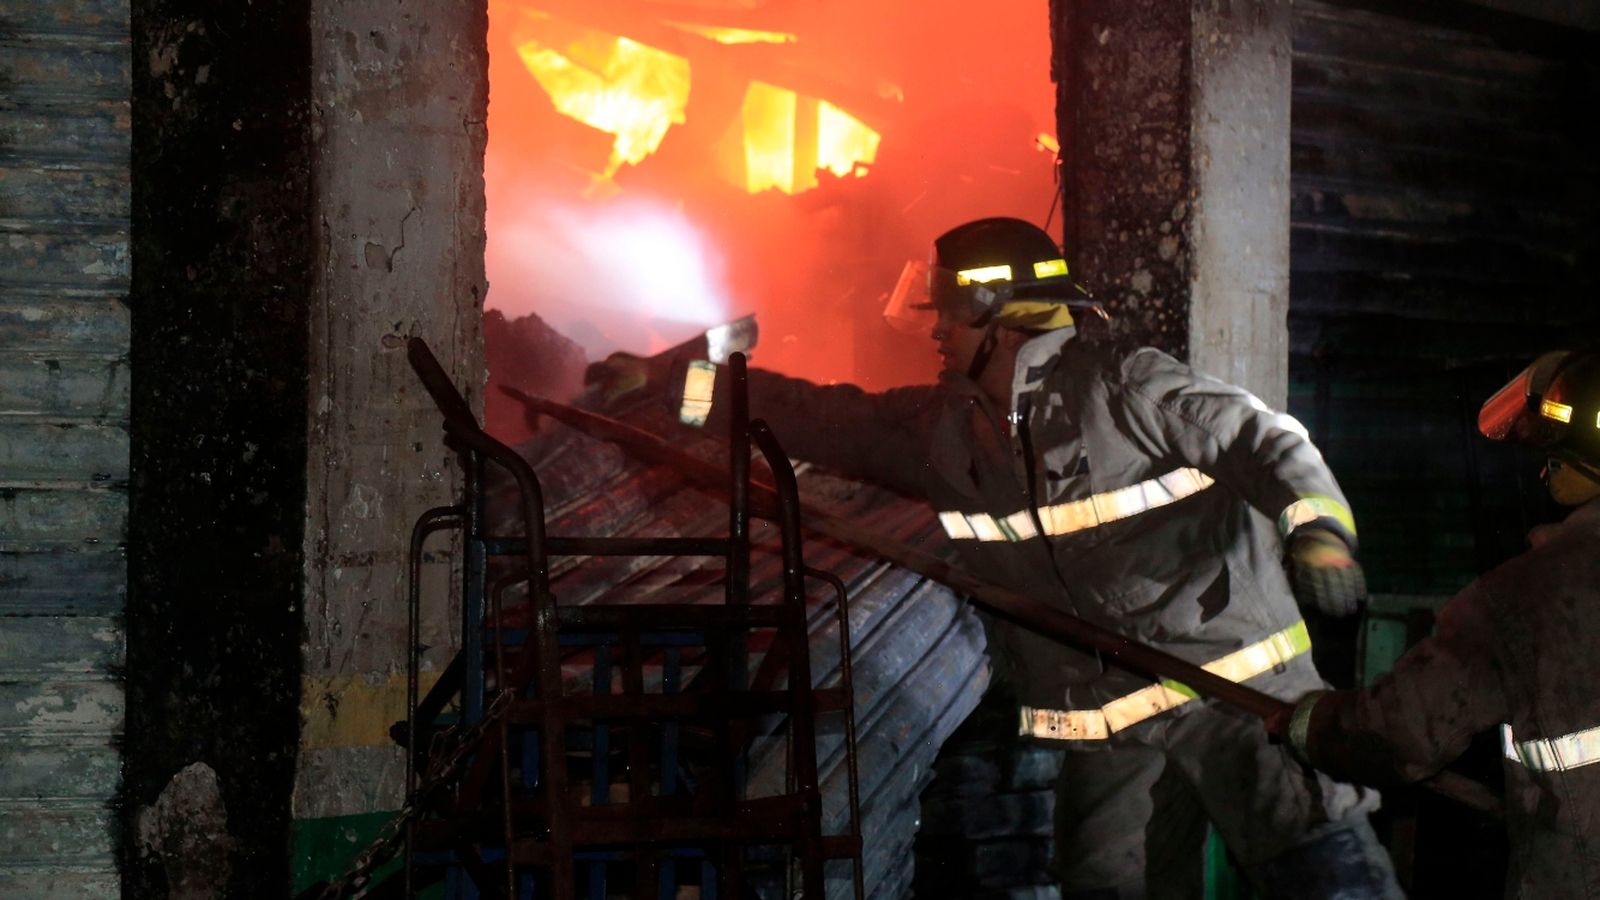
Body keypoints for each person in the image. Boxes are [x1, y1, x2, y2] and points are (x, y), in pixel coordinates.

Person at [621, 216, 1400, 897]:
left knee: (1318, 867)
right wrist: (672, 387)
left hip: (1234, 695)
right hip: (1113, 732)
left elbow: (1260, 439)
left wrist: (1320, 533)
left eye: (947, 318)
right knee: (1105, 885)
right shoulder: (946, 431)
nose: (933, 332)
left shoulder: (1124, 386)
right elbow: (816, 416)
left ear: (997, 314)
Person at [1274, 349, 1600, 898]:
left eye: (1552, 450)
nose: (1544, 467)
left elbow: (1402, 731)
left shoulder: (1527, 593)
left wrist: (1312, 725)